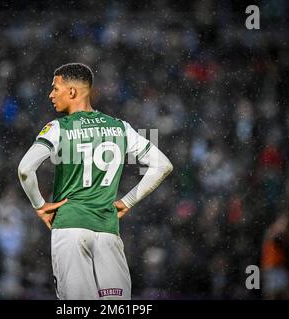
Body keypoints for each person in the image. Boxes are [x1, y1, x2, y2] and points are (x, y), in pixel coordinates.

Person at [18, 63, 173, 300]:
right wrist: (128, 201)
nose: (50, 94)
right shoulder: (121, 127)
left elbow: (25, 170)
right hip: (108, 231)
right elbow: (163, 165)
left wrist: (39, 206)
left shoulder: (57, 128)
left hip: (70, 228)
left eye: (55, 88)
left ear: (72, 92)